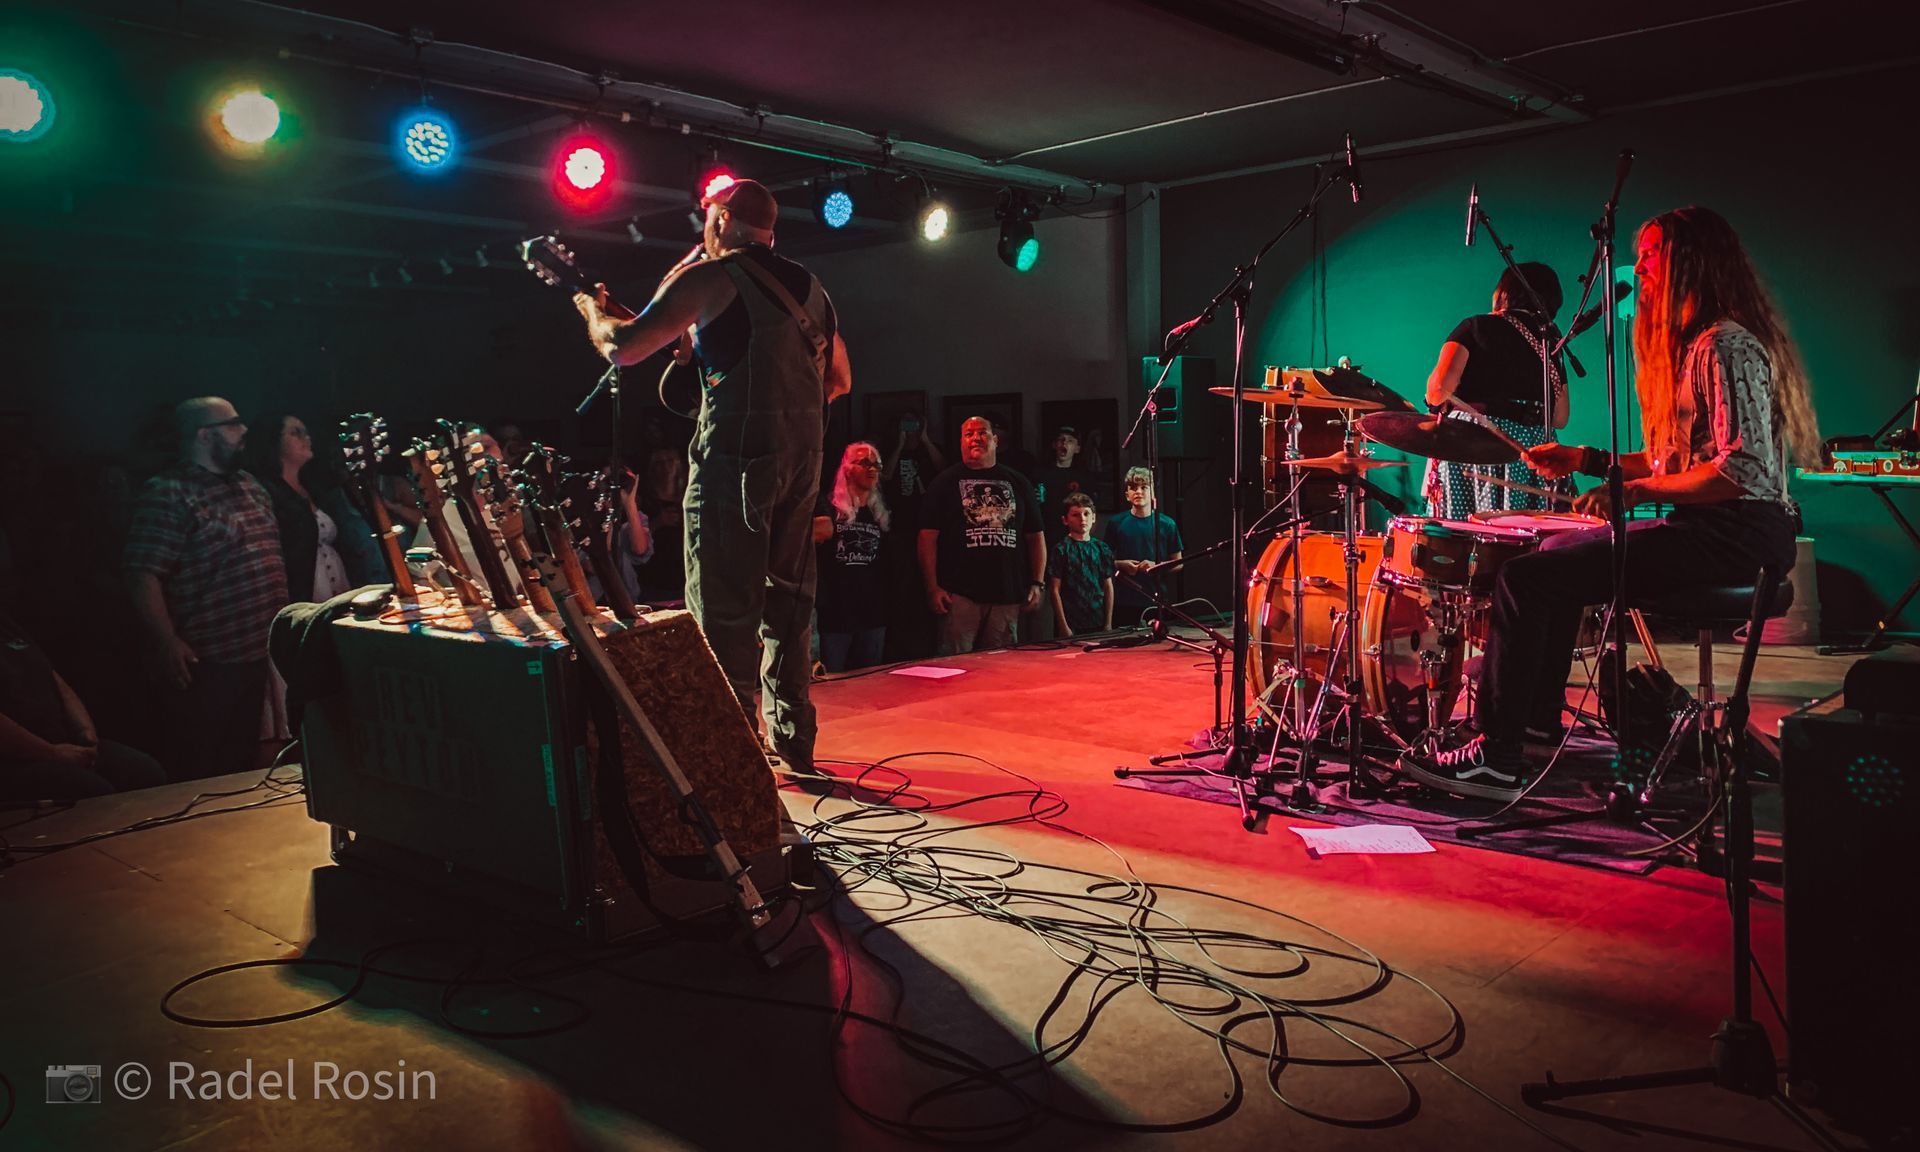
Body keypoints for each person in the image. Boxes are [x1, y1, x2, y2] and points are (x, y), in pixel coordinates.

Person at [1403, 206, 1820, 798]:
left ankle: (1496, 758)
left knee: (1525, 579)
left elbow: (1738, 472)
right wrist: (1584, 460)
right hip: (1717, 527)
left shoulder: (1724, 345)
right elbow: (1671, 461)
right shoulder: (1703, 346)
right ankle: (1534, 729)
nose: (1640, 267)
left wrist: (1631, 495)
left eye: (1653, 255)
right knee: (1550, 557)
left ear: (1693, 263)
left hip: (1736, 535)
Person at [574, 178, 852, 776]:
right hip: (802, 470)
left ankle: (731, 757)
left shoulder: (709, 279)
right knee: (791, 608)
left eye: (707, 219)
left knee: (724, 613)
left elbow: (624, 348)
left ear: (722, 219)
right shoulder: (813, 290)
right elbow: (839, 380)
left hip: (734, 471)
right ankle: (794, 740)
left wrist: (594, 315)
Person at [124, 397, 288, 780]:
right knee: (201, 764)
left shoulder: (248, 485)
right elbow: (142, 572)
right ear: (203, 435)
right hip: (207, 659)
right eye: (233, 424)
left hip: (255, 651)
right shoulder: (169, 492)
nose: (244, 430)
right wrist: (165, 640)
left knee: (241, 761)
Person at [241, 412, 380, 740]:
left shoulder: (314, 488)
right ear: (275, 443)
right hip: (301, 587)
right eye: (295, 432)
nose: (306, 437)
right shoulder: (268, 491)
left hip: (332, 584)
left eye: (306, 430)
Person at [1423, 261, 1570, 519]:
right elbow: (1560, 417)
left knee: (1466, 541)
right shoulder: (1550, 343)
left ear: (1503, 292)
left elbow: (1438, 391)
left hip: (1475, 443)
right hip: (1531, 452)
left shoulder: (1475, 327)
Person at [1, 607, 167, 803]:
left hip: (63, 740)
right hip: (18, 759)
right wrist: (52, 753)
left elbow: (55, 680)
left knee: (144, 773)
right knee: (94, 793)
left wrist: (85, 732)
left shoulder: (6, 624)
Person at [918, 416, 1045, 655]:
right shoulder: (943, 483)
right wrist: (932, 587)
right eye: (968, 434)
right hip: (959, 595)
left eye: (982, 432)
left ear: (995, 440)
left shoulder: (1018, 482)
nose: (975, 438)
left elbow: (1035, 536)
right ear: (961, 442)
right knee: (955, 667)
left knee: (1001, 669)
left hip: (1007, 593)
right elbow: (927, 538)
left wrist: (1037, 583)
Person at [811, 442, 889, 671]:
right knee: (832, 683)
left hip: (873, 613)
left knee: (871, 680)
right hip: (836, 614)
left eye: (876, 464)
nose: (872, 469)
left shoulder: (880, 513)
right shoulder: (828, 508)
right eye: (864, 463)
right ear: (846, 468)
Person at [1105, 466, 1184, 628]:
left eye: (1143, 487)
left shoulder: (1167, 524)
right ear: (1127, 495)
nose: (1138, 492)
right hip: (1124, 600)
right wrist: (1121, 564)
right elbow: (1103, 560)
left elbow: (1179, 563)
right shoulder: (1116, 523)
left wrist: (1157, 566)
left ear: (1153, 493)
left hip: (1156, 600)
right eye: (1133, 488)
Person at [1048, 493, 1115, 638]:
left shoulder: (1101, 548)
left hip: (1097, 620)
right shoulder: (1061, 550)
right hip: (1071, 622)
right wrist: (1063, 626)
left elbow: (1108, 586)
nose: (1082, 519)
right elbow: (1054, 589)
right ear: (1065, 520)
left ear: (1094, 517)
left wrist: (1108, 623)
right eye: (1076, 515)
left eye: (1086, 514)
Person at [630, 445, 687, 605]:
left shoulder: (689, 496)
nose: (666, 467)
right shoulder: (643, 499)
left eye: (669, 461)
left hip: (684, 578)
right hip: (654, 581)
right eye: (659, 462)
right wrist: (659, 522)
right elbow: (633, 543)